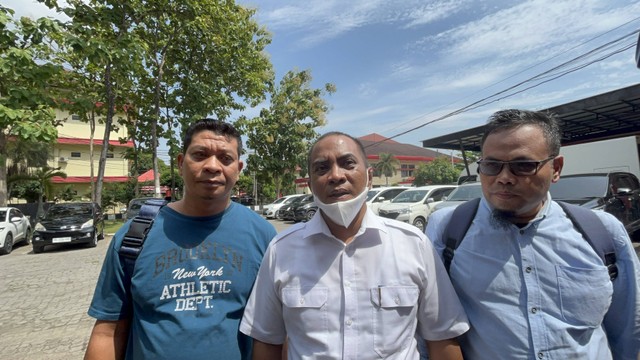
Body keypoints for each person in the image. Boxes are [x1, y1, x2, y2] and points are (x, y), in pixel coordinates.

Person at [426, 109, 640, 359]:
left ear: (556, 168)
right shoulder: (448, 228)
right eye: (492, 165)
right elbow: (432, 326)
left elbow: (629, 327)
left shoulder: (601, 231)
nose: (504, 178)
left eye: (523, 166)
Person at [240, 132, 469, 359]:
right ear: (309, 184)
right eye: (322, 168)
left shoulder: (413, 244)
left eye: (347, 164)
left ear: (369, 177)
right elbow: (267, 342)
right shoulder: (281, 250)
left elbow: (442, 338)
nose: (336, 176)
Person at [84, 119, 277, 359]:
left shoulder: (264, 236)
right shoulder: (134, 236)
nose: (212, 166)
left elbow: (273, 332)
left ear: (238, 169)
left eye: (225, 159)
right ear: (180, 163)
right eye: (200, 154)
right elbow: (108, 332)